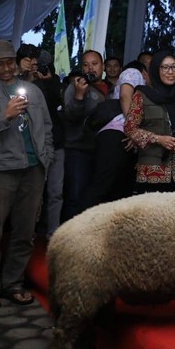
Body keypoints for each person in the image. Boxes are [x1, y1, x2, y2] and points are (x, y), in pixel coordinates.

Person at [0, 40, 53, 309]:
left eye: (10, 61)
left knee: (25, 232)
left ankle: (13, 283)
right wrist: (4, 116)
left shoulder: (33, 91)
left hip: (34, 170)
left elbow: (47, 128)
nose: (6, 68)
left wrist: (46, 158)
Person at [124, 51, 175, 193]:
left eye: (174, 67)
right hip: (152, 172)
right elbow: (130, 128)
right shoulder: (142, 96)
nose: (171, 72)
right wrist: (158, 139)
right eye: (165, 68)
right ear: (156, 70)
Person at [82, 60, 148, 208]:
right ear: (144, 71)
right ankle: (83, 226)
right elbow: (125, 96)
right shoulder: (133, 72)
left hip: (124, 136)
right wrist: (133, 130)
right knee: (102, 186)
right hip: (118, 134)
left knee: (118, 190)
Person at [60, 50, 109, 221]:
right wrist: (79, 96)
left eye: (94, 64)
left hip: (102, 151)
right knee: (75, 197)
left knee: (96, 198)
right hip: (78, 150)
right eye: (86, 65)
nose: (90, 68)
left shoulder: (112, 88)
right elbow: (71, 117)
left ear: (102, 66)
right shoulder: (74, 87)